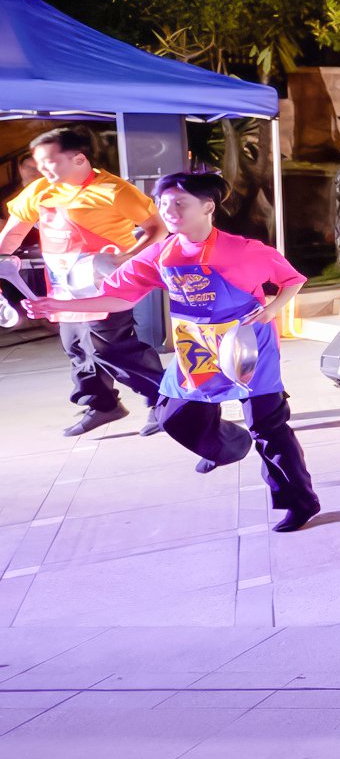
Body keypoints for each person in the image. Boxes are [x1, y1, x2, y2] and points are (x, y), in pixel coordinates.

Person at [26, 172, 319, 532]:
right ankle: (228, 445)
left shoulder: (243, 250)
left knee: (267, 426)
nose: (169, 210)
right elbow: (120, 297)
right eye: (163, 203)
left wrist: (272, 310)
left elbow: (293, 280)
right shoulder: (161, 253)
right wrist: (60, 306)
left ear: (208, 207)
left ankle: (300, 502)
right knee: (173, 416)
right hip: (195, 346)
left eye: (180, 203)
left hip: (245, 344)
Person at [1, 127, 168, 436]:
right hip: (63, 287)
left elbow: (157, 229)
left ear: (79, 159)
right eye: (38, 162)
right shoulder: (39, 191)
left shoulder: (114, 191)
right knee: (76, 347)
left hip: (105, 286)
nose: (41, 169)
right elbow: (13, 232)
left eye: (49, 161)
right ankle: (102, 404)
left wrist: (127, 257)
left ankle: (166, 401)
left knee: (111, 348)